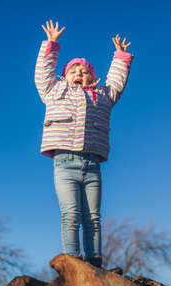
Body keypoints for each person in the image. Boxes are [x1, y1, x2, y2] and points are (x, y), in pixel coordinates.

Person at [34, 20, 133, 268]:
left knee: (93, 218)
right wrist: (51, 44)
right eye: (73, 70)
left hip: (92, 165)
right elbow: (43, 72)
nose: (79, 73)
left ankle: (94, 262)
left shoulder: (103, 96)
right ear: (63, 76)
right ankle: (73, 263)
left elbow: (117, 82)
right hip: (64, 163)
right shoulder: (54, 90)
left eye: (85, 70)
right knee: (71, 215)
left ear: (94, 77)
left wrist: (120, 57)